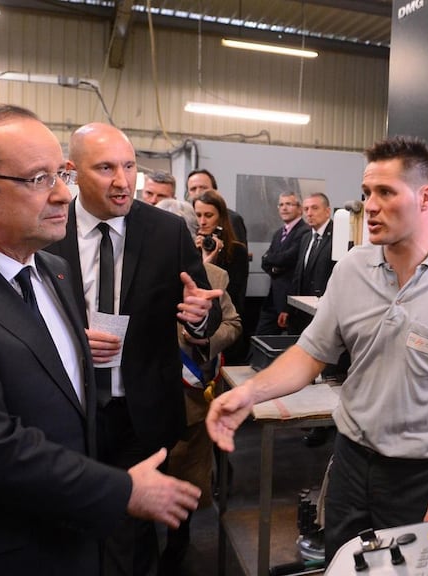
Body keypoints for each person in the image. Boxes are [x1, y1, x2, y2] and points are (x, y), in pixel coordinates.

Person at [0, 104, 201, 575]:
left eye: (61, 173)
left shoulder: (49, 269)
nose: (65, 194)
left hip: (64, 536)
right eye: (38, 179)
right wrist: (122, 490)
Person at [207, 136, 428, 561]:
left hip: (422, 475)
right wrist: (246, 393)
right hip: (350, 464)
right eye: (366, 193)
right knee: (344, 564)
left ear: (426, 197)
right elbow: (311, 353)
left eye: (386, 193)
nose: (369, 206)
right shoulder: (353, 268)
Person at [45, 122, 220, 576]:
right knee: (70, 522)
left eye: (129, 166)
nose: (122, 181)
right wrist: (70, 340)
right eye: (105, 168)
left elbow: (205, 308)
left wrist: (199, 315)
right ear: (72, 171)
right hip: (68, 408)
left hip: (140, 412)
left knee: (129, 532)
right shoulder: (47, 228)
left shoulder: (166, 231)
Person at [154, 197, 242, 572]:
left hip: (192, 395)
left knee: (187, 475)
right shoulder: (133, 275)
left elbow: (234, 326)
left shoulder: (215, 278)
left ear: (194, 239)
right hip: (144, 396)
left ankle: (178, 540)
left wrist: (207, 339)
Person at [279, 192, 335, 335]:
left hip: (325, 312)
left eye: (315, 208)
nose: (309, 213)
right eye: (306, 209)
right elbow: (298, 275)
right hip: (302, 312)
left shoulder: (337, 237)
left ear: (327, 211)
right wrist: (288, 308)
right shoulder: (306, 237)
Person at [254, 191, 306, 335]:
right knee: (261, 339)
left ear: (300, 208)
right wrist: (275, 267)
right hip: (272, 299)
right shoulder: (278, 233)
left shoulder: (304, 232)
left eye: (289, 204)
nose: (284, 208)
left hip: (290, 301)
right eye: (281, 205)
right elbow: (265, 262)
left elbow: (288, 258)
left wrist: (272, 260)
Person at [193, 191, 249, 315]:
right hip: (197, 315)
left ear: (221, 217)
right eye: (198, 215)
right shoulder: (191, 249)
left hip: (226, 317)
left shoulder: (237, 251)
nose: (202, 221)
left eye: (208, 215)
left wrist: (213, 263)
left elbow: (232, 294)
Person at [186, 169, 247, 246]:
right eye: (193, 189)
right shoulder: (184, 221)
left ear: (214, 191)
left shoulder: (232, 219)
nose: (198, 193)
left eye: (203, 188)